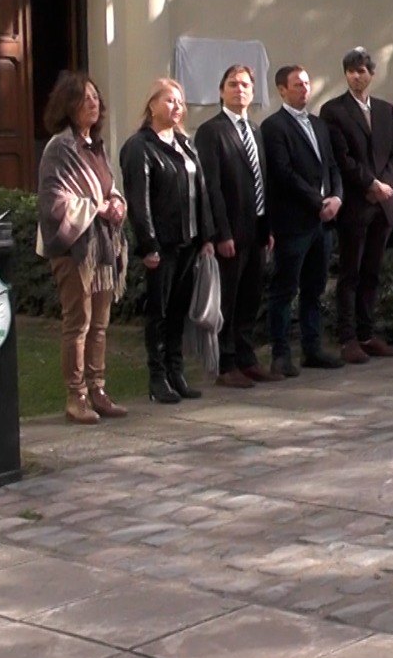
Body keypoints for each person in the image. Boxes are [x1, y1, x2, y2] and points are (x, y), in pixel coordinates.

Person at [35, 72, 128, 424]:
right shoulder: (59, 147)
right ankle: (76, 396)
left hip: (101, 247)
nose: (93, 102)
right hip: (75, 249)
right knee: (79, 323)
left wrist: (116, 202)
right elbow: (53, 201)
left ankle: (98, 390)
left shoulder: (95, 145)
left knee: (100, 324)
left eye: (95, 96)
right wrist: (96, 207)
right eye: (84, 97)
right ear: (67, 105)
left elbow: (108, 186)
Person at [119, 78, 214, 404]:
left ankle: (177, 372)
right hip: (163, 245)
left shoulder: (185, 143)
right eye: (170, 100)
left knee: (178, 311)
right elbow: (139, 201)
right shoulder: (140, 146)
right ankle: (157, 377)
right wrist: (149, 245)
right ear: (152, 105)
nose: (177, 107)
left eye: (180, 101)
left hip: (189, 241)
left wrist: (206, 236)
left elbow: (201, 190)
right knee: (158, 312)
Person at [195, 64, 282, 389]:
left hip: (256, 228)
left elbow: (262, 180)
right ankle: (226, 364)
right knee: (228, 302)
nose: (239, 89)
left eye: (245, 85)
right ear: (221, 91)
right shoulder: (211, 131)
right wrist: (221, 233)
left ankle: (247, 359)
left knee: (250, 298)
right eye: (232, 84)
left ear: (253, 92)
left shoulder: (255, 130)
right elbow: (212, 186)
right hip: (231, 232)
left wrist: (268, 228)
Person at [317, 47, 393, 364]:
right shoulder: (333, 111)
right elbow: (341, 157)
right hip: (355, 203)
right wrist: (370, 184)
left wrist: (385, 185)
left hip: (382, 205)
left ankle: (368, 334)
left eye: (362, 71)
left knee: (372, 273)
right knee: (350, 274)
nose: (356, 76)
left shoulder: (386, 110)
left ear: (372, 74)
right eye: (351, 71)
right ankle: (348, 338)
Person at [262, 64, 345, 377]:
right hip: (294, 222)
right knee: (285, 290)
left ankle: (313, 348)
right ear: (282, 90)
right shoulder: (274, 127)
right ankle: (281, 354)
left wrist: (337, 197)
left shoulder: (319, 125)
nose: (304, 89)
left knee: (314, 288)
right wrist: (316, 202)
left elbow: (332, 166)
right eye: (297, 84)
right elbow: (284, 173)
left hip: (322, 224)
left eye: (307, 83)